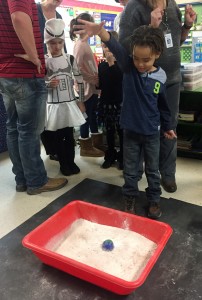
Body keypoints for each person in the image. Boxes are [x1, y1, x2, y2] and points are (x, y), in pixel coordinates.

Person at [73, 20, 177, 219]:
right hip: (130, 131)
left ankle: (154, 199)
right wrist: (102, 32)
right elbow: (117, 48)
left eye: (146, 60)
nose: (140, 64)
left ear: (157, 54)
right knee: (130, 171)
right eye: (136, 58)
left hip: (152, 133)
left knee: (153, 171)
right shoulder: (129, 69)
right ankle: (129, 197)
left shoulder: (161, 77)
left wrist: (168, 126)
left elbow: (163, 106)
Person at [118, 0, 196, 193]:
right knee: (140, 126)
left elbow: (175, 42)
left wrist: (186, 26)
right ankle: (134, 175)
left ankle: (167, 174)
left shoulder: (173, 6)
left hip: (171, 80)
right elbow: (123, 47)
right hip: (142, 81)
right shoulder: (134, 7)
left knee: (170, 126)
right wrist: (151, 27)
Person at [0, 0, 67, 194]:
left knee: (13, 128)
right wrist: (34, 56)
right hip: (24, 72)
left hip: (6, 70)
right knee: (29, 131)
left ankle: (22, 179)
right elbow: (18, 17)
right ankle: (36, 181)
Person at [42, 18, 86, 176]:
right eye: (52, 43)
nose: (56, 46)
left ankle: (71, 162)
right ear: (47, 43)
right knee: (57, 137)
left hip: (69, 104)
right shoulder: (44, 61)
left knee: (69, 135)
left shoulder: (70, 59)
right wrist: (47, 84)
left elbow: (80, 80)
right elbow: (38, 83)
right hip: (53, 105)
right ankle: (63, 164)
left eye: (59, 42)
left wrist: (80, 101)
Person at [69, 13, 105, 157]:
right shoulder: (80, 45)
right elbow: (76, 70)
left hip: (91, 87)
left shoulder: (84, 44)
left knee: (91, 116)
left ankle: (96, 143)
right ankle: (86, 146)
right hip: (85, 89)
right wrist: (93, 79)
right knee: (85, 117)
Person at [98, 31, 123, 169]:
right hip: (106, 103)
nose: (107, 49)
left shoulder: (121, 65)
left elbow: (118, 80)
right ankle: (110, 155)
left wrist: (111, 63)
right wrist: (96, 82)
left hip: (119, 103)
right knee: (109, 131)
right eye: (104, 46)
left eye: (109, 46)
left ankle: (122, 156)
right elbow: (102, 85)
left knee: (121, 131)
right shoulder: (101, 66)